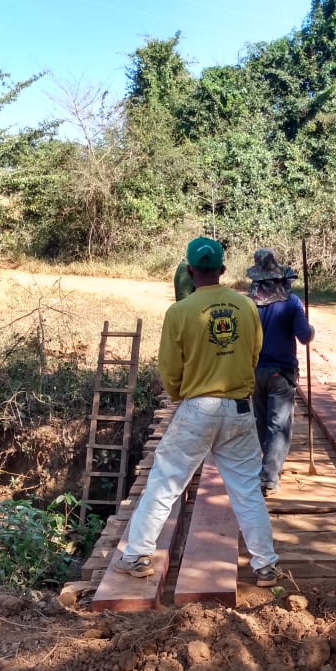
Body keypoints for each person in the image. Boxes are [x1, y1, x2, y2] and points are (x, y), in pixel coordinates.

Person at [114, 236, 284, 587]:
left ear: (190, 271)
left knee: (164, 483)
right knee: (247, 489)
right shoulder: (247, 307)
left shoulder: (179, 312)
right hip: (239, 410)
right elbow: (254, 354)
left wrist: (181, 395)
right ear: (223, 269)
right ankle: (265, 565)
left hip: (197, 409)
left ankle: (135, 555)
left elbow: (169, 367)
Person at [246, 248, 315, 496]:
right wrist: (311, 329)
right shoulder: (291, 303)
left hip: (255, 372)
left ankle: (268, 468)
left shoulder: (247, 303)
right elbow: (304, 337)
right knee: (279, 425)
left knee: (264, 422)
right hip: (281, 373)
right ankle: (269, 477)